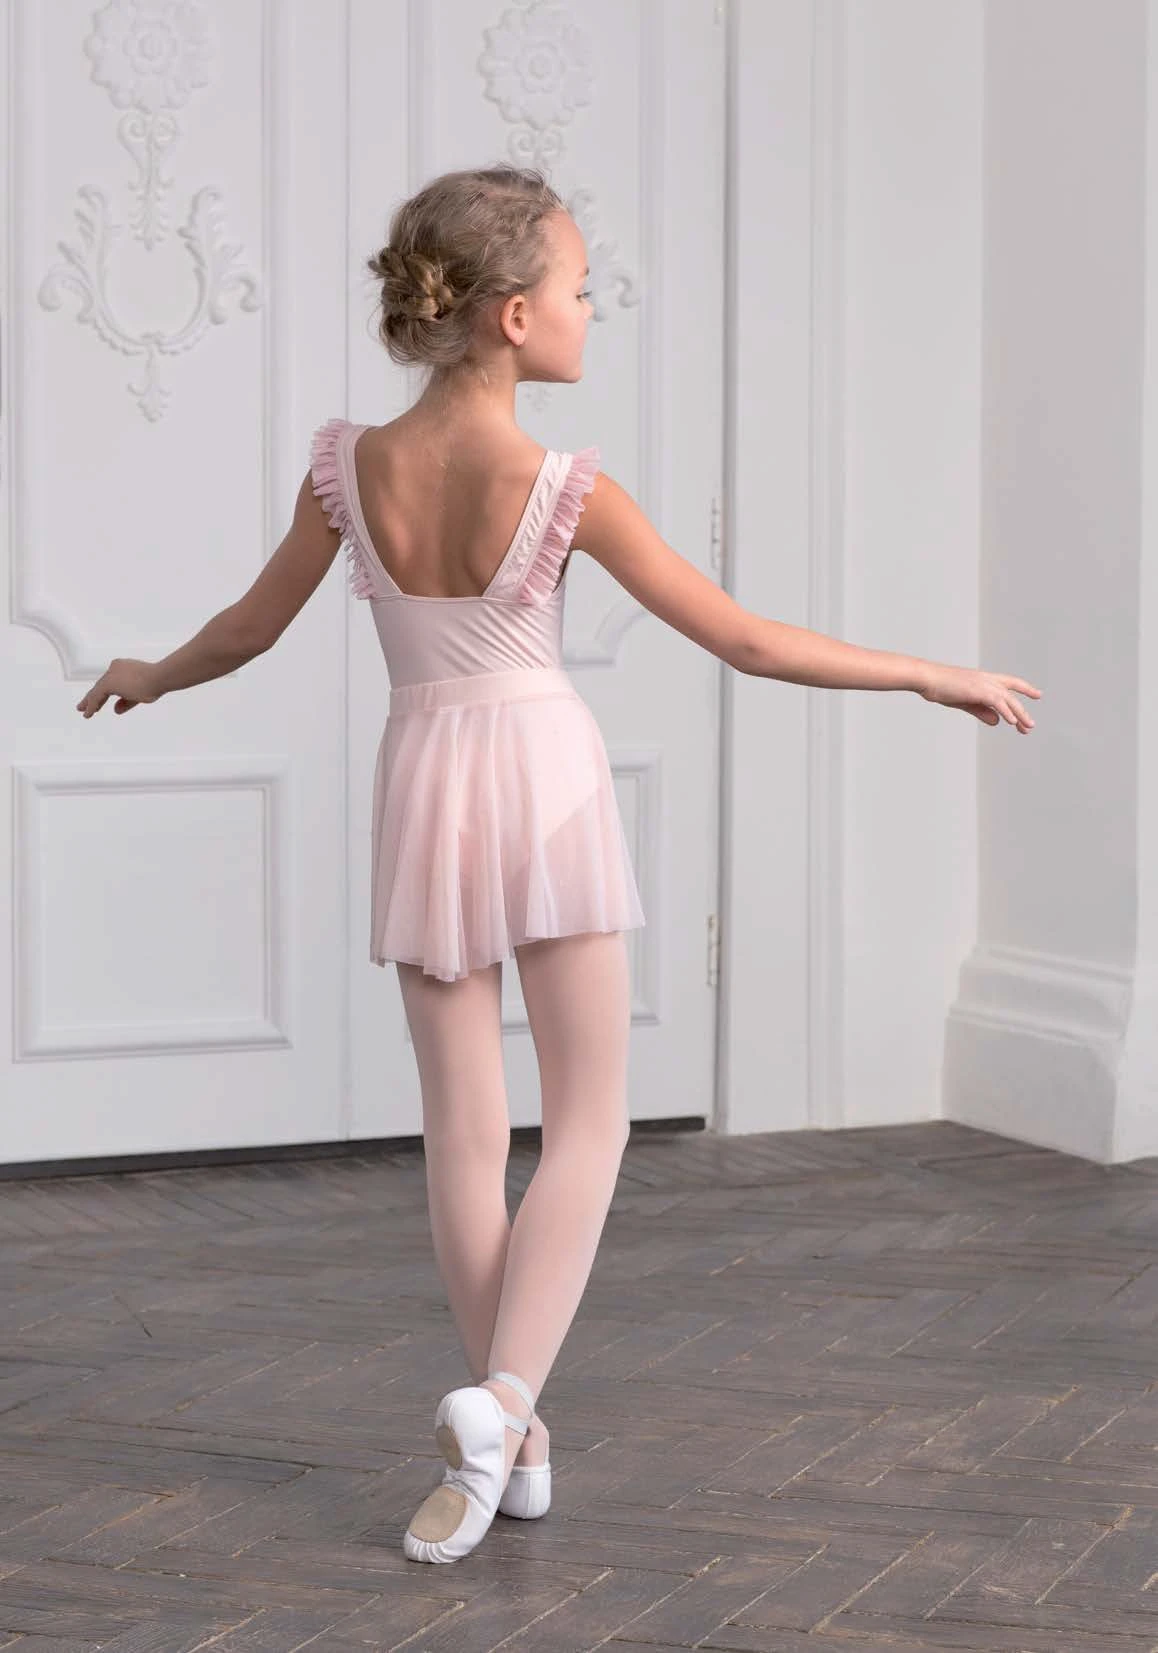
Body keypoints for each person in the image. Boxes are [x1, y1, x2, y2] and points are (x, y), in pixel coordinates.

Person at [75, 163, 1042, 1565]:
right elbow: (747, 642)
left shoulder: (349, 466)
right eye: (582, 289)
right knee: (589, 1121)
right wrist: (930, 674)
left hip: (424, 779)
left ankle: (505, 1443)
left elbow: (247, 628)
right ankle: (509, 1406)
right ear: (514, 316)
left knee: (463, 1136)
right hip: (541, 779)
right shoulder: (566, 489)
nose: (596, 308)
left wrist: (151, 673)